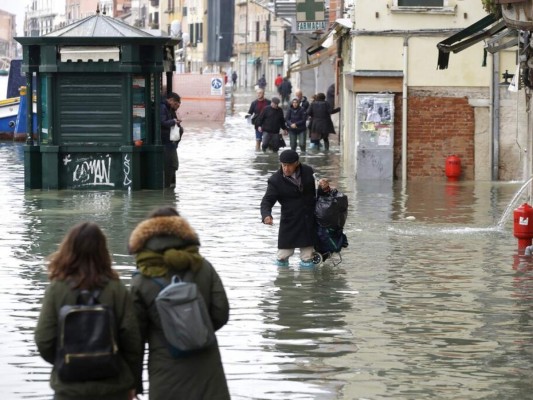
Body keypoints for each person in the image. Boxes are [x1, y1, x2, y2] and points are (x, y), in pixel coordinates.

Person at [128, 206, 230, 400]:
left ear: (146, 237)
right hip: (207, 369)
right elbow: (221, 313)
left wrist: (133, 384)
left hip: (165, 370)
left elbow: (135, 338)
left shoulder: (141, 279)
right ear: (183, 232)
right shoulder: (204, 267)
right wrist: (195, 330)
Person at [35, 222, 141, 400]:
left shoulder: (57, 289)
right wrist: (132, 384)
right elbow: (132, 341)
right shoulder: (117, 289)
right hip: (114, 388)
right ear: (103, 251)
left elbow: (44, 339)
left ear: (68, 248)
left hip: (69, 389)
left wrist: (68, 360)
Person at [260, 150, 317, 268]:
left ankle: (308, 284)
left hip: (309, 220)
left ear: (296, 163)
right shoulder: (275, 180)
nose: (286, 168)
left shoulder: (308, 171)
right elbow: (267, 201)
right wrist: (266, 215)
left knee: (307, 258)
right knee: (282, 256)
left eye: (289, 165)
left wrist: (324, 188)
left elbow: (317, 193)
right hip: (290, 221)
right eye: (283, 165)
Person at [160, 92, 183, 188]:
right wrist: (174, 121)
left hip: (170, 143)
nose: (177, 107)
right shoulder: (163, 108)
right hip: (167, 142)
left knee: (173, 165)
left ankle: (169, 190)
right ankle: (168, 188)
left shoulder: (169, 109)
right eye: (176, 104)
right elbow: (162, 122)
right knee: (172, 164)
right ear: (171, 100)